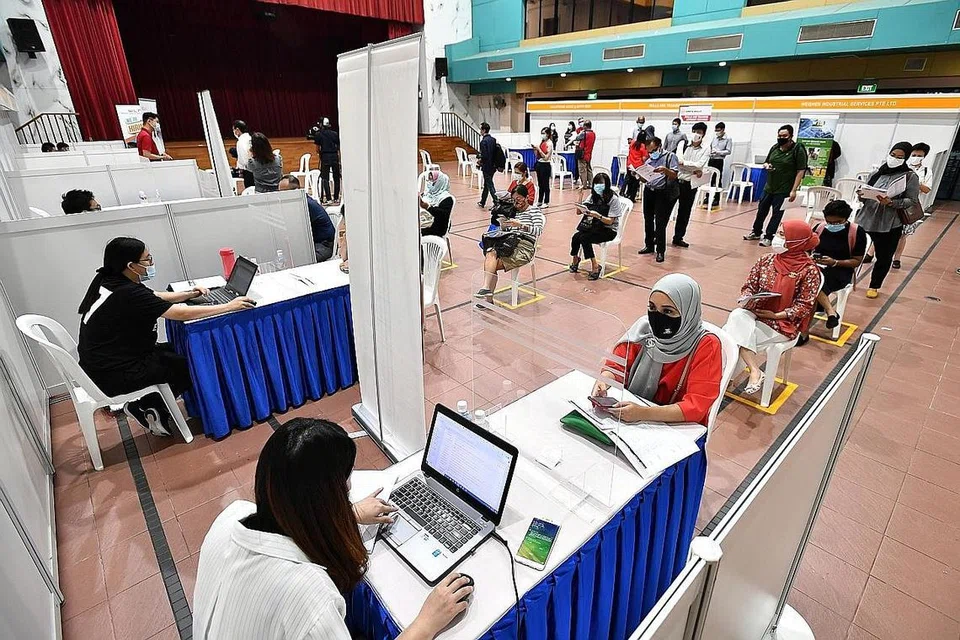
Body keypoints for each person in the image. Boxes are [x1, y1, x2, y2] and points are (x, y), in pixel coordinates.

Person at [193, 417, 473, 640]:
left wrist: (349, 514)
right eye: (344, 488)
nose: (349, 489)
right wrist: (427, 623)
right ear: (324, 503)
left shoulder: (231, 516)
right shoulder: (310, 598)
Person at [78, 237, 254, 436]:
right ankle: (148, 406)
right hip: (113, 373)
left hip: (103, 363)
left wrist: (189, 294)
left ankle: (147, 406)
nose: (151, 263)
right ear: (131, 265)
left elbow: (154, 296)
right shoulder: (127, 292)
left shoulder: (110, 280)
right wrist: (229, 306)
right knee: (189, 367)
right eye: (147, 259)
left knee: (178, 352)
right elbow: (179, 313)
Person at [592, 274, 722, 427]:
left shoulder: (706, 345)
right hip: (632, 417)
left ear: (688, 312)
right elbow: (617, 365)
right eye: (652, 308)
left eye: (668, 311)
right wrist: (604, 380)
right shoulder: (644, 331)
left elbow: (696, 406)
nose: (657, 318)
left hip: (677, 426)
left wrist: (643, 413)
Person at [723, 220, 821, 393]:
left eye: (782, 235)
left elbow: (804, 306)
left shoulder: (809, 271)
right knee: (737, 315)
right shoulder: (766, 260)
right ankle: (753, 370)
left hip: (781, 322)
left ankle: (724, 380)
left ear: (796, 241)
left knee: (731, 337)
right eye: (778, 233)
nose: (777, 238)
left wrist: (776, 315)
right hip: (757, 312)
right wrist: (747, 298)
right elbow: (749, 286)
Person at [856, 141, 919, 299]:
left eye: (900, 157)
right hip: (866, 218)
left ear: (905, 158)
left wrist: (891, 202)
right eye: (893, 155)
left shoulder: (910, 176)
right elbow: (865, 192)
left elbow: (911, 200)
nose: (894, 158)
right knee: (854, 251)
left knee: (884, 256)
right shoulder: (876, 173)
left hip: (889, 223)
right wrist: (861, 195)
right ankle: (848, 280)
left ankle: (874, 285)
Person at [804, 199, 867, 336]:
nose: (832, 225)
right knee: (808, 279)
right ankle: (830, 311)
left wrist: (835, 262)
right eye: (829, 222)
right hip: (816, 267)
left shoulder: (857, 232)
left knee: (813, 284)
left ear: (846, 219)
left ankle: (804, 332)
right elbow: (807, 249)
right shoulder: (820, 228)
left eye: (837, 222)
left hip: (841, 271)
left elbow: (857, 261)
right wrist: (810, 258)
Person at [474, 184, 544, 302]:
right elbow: (509, 230)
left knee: (490, 264)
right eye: (514, 200)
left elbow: (538, 231)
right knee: (490, 253)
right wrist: (504, 225)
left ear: (526, 197)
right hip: (510, 242)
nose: (517, 202)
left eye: (519, 199)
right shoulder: (514, 211)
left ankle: (488, 297)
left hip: (524, 246)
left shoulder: (534, 211)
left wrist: (521, 225)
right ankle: (486, 289)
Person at [743, 125, 808, 247]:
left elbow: (801, 170)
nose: (781, 138)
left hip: (784, 188)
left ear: (791, 136)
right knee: (761, 211)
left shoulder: (797, 149)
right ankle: (756, 232)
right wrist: (767, 165)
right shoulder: (775, 147)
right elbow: (766, 161)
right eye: (779, 136)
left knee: (777, 213)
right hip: (769, 186)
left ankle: (769, 236)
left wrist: (794, 190)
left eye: (784, 136)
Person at [569, 172, 625, 280]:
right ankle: (575, 259)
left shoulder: (613, 199)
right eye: (596, 184)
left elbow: (610, 221)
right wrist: (580, 196)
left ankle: (595, 266)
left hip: (608, 230)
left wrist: (598, 216)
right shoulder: (593, 196)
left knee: (584, 238)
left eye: (601, 184)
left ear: (606, 185)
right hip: (594, 226)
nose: (598, 186)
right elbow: (578, 212)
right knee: (576, 237)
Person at [637, 136, 680, 263]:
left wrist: (665, 170)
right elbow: (645, 178)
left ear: (659, 147)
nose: (651, 154)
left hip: (662, 192)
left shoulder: (670, 157)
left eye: (653, 150)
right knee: (648, 219)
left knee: (660, 222)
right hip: (649, 191)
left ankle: (660, 250)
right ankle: (649, 245)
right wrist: (639, 175)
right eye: (649, 151)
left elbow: (674, 175)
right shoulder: (648, 160)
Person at [891, 142, 934, 269]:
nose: (916, 157)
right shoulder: (903, 167)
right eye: (914, 155)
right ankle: (871, 253)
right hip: (895, 203)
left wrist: (914, 182)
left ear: (924, 157)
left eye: (919, 156)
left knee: (903, 234)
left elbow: (927, 189)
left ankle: (897, 258)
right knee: (885, 230)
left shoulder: (926, 171)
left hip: (911, 207)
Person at [280, 175, 336, 261]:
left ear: (295, 191)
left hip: (323, 245)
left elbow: (297, 232)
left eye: (283, 192)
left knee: (297, 260)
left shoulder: (305, 205)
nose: (280, 196)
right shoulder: (297, 203)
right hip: (313, 244)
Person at [674, 122, 710, 248]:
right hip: (676, 181)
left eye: (699, 132)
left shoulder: (706, 148)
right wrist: (693, 168)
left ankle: (678, 237)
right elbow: (678, 160)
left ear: (703, 134)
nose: (696, 134)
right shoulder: (682, 143)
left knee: (684, 212)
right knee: (665, 210)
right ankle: (658, 236)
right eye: (694, 131)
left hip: (690, 184)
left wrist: (685, 165)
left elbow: (699, 165)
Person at [419, 169, 455, 238]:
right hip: (424, 221)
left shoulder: (447, 199)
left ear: (439, 183)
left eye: (432, 182)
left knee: (414, 232)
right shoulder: (427, 194)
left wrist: (428, 207)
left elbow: (442, 215)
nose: (429, 183)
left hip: (437, 227)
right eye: (429, 180)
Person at [314, 117, 341, 204]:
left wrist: (320, 154)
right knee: (336, 177)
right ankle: (336, 198)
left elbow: (317, 148)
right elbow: (338, 147)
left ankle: (328, 198)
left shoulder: (318, 134)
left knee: (325, 178)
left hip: (325, 156)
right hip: (334, 156)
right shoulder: (335, 134)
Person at [708, 122, 732, 206]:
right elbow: (710, 146)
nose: (717, 132)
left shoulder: (728, 138)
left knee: (717, 179)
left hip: (719, 160)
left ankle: (716, 198)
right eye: (716, 130)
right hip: (711, 159)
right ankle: (708, 197)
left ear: (723, 130)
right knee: (709, 179)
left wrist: (718, 152)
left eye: (718, 130)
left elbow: (728, 151)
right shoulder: (714, 137)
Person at [622, 130, 649, 203]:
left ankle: (627, 194)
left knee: (629, 181)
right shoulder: (643, 146)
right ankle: (632, 197)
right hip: (638, 167)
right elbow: (644, 158)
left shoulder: (632, 143)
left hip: (629, 166)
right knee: (635, 183)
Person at [477, 122, 498, 209]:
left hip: (486, 166)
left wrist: (480, 161)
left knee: (490, 184)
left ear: (484, 130)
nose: (480, 131)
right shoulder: (493, 140)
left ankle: (497, 201)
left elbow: (485, 156)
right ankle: (482, 201)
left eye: (481, 129)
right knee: (487, 184)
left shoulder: (483, 142)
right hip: (493, 166)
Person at [532, 128, 553, 207]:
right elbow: (537, 155)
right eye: (541, 133)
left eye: (544, 133)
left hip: (545, 165)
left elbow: (546, 157)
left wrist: (539, 149)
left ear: (548, 134)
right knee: (540, 184)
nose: (542, 135)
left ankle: (546, 201)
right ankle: (539, 200)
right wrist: (535, 149)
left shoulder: (550, 143)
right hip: (539, 164)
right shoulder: (542, 142)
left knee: (545, 184)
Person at [574, 119, 596, 189]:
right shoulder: (593, 134)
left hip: (582, 154)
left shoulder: (584, 133)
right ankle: (591, 184)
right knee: (589, 169)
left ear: (586, 126)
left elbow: (577, 138)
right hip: (589, 154)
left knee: (582, 170)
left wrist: (581, 132)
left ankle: (584, 185)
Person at [232, 120, 254, 188]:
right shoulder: (250, 138)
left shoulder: (241, 142)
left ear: (237, 130)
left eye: (233, 130)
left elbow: (244, 161)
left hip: (248, 171)